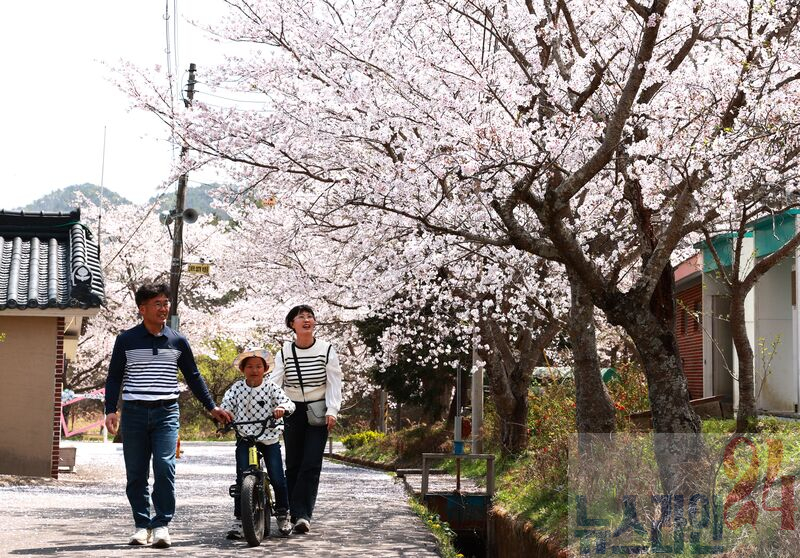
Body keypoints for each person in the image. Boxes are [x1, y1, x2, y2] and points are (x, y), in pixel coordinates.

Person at [104, 282, 232, 548]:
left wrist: (212, 407)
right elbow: (114, 376)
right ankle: (142, 526)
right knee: (136, 473)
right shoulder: (126, 340)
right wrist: (110, 410)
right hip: (134, 413)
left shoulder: (177, 341)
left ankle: (161, 524)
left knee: (165, 468)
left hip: (166, 413)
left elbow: (193, 376)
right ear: (142, 309)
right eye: (157, 304)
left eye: (166, 303)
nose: (163, 308)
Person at [269, 304, 343, 534]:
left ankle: (303, 515)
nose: (307, 320)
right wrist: (274, 404)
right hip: (291, 410)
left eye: (310, 316)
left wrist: (333, 409)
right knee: (293, 463)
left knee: (311, 463)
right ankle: (292, 511)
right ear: (292, 324)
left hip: (318, 410)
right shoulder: (284, 352)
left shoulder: (326, 350)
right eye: (301, 317)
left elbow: (334, 382)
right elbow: (275, 381)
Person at [221, 348, 296, 539]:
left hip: (268, 436)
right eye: (249, 367)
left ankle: (282, 513)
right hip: (245, 436)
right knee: (242, 477)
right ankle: (240, 520)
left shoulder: (271, 387)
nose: (254, 370)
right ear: (243, 369)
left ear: (265, 369)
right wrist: (225, 413)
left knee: (277, 477)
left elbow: (289, 403)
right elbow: (226, 404)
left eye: (258, 366)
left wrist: (282, 408)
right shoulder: (237, 388)